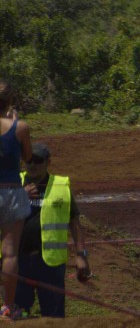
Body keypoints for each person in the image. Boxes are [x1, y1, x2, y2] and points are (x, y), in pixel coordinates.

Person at [15, 143, 90, 318]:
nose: (33, 165)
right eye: (29, 160)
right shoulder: (14, 184)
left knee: (53, 316)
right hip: (19, 261)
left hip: (50, 265)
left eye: (38, 160)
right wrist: (20, 196)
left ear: (49, 162)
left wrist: (81, 255)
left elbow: (74, 223)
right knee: (18, 315)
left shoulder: (61, 187)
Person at [0, 80, 32, 321]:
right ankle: (8, 307)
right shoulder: (20, 128)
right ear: (9, 102)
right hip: (11, 191)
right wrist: (14, 120)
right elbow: (28, 157)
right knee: (10, 253)